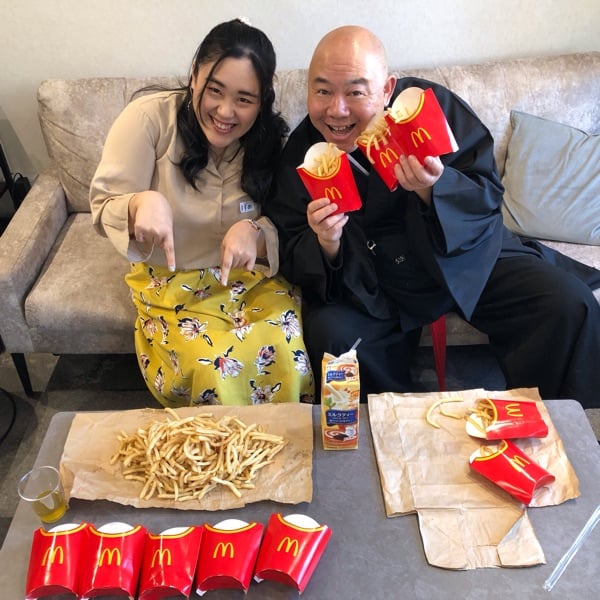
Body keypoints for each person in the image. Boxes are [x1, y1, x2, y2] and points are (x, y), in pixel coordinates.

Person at [264, 25, 600, 408]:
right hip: (376, 282)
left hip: (462, 258)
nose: (336, 110)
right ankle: (389, 430)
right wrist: (327, 243)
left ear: (387, 88)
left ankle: (567, 431)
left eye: (355, 92)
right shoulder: (303, 154)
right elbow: (291, 240)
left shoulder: (425, 108)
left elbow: (485, 190)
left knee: (566, 304)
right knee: (334, 337)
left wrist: (434, 187)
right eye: (322, 91)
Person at [90, 19, 314, 407]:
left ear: (263, 100)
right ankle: (217, 445)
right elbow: (104, 204)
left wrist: (255, 231)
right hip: (172, 286)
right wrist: (140, 203)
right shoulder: (148, 119)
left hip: (248, 281)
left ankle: (282, 442)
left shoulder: (270, 139)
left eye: (244, 99)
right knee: (215, 366)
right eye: (215, 90)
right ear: (194, 75)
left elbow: (286, 220)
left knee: (286, 342)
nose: (225, 112)